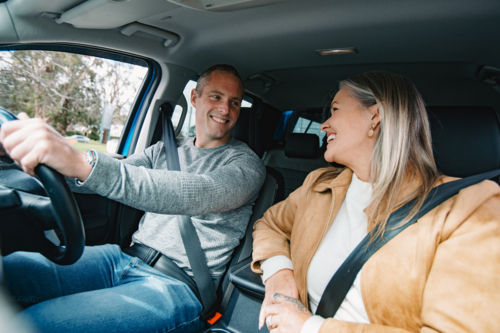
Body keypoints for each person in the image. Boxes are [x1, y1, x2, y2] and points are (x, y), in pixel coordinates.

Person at [0, 64, 266, 332]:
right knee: (6, 272)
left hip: (177, 286)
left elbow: (191, 192)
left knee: (35, 325)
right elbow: (111, 176)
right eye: (216, 97)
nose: (225, 110)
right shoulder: (165, 149)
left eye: (234, 102)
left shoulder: (247, 166)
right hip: (122, 259)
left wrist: (80, 162)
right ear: (195, 98)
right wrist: (28, 156)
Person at [251, 72, 500, 333]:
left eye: (335, 110)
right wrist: (279, 275)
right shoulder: (319, 185)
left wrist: (309, 327)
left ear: (375, 116)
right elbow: (270, 224)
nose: (324, 125)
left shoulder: (470, 210)